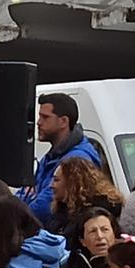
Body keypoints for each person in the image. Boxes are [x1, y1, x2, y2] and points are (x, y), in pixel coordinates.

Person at [21, 91, 96, 221]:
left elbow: (45, 206)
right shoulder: (52, 155)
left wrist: (17, 214)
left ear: (63, 121)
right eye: (39, 117)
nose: (38, 122)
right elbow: (26, 191)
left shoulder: (76, 159)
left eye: (45, 117)